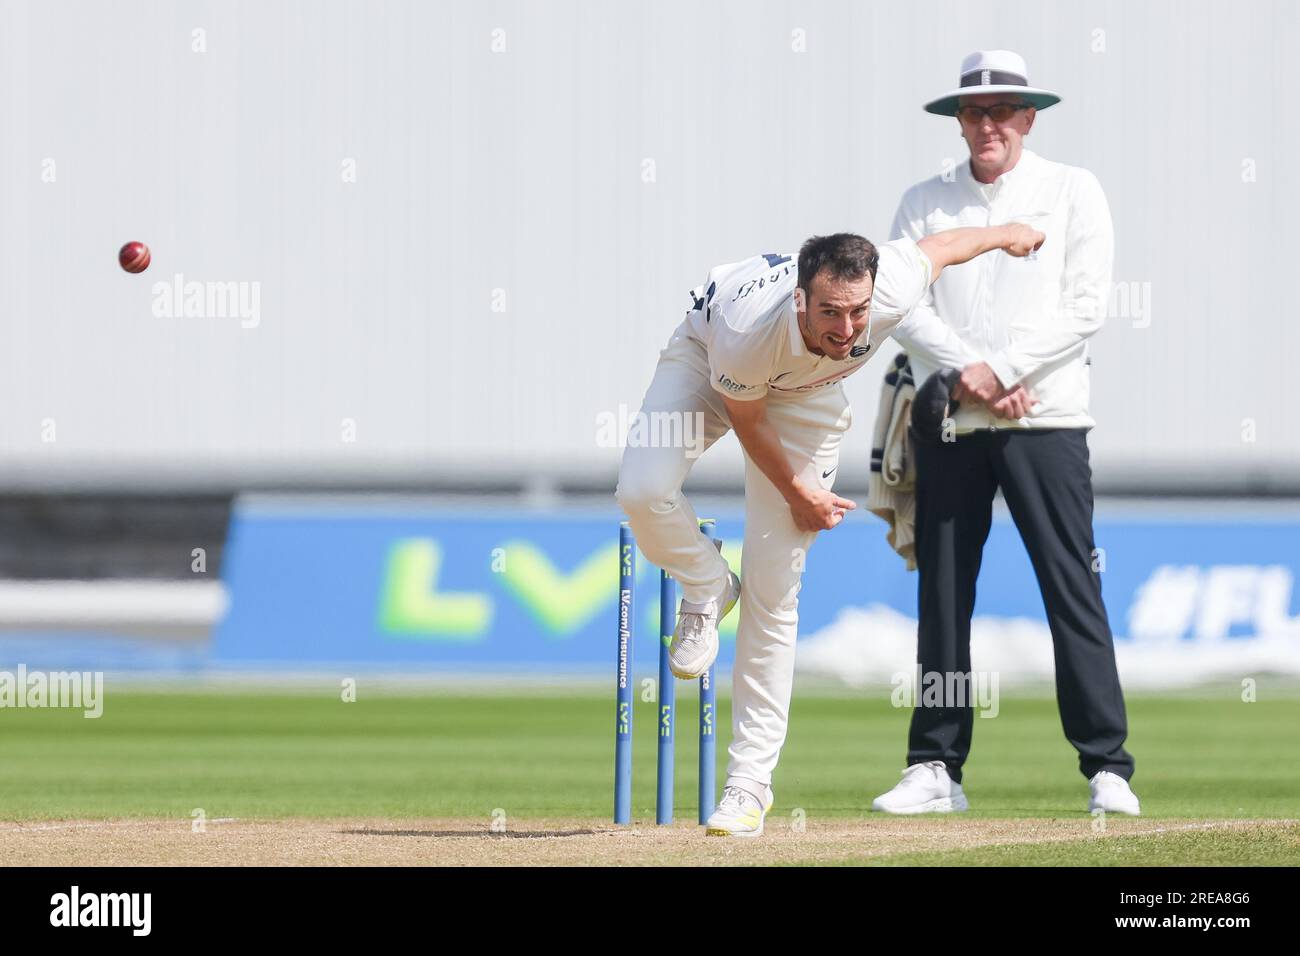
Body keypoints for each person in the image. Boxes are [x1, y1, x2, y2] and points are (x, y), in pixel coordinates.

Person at [616, 221, 1044, 836]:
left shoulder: (891, 283)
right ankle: (706, 583)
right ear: (799, 298)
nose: (847, 331)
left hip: (807, 403)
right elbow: (750, 423)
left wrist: (1009, 234)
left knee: (774, 587)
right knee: (642, 489)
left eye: (858, 313)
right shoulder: (749, 330)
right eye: (830, 313)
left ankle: (748, 787)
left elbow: (945, 247)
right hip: (713, 367)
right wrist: (801, 494)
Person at [871, 50, 1140, 817]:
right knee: (944, 594)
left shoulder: (1072, 190)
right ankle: (935, 767)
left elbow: (1086, 305)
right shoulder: (925, 200)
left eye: (1002, 111)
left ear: (1028, 117)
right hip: (954, 417)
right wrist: (972, 373)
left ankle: (1107, 767)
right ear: (960, 121)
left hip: (1046, 418)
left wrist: (1008, 369)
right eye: (974, 112)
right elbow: (900, 302)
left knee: (1070, 587)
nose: (987, 125)